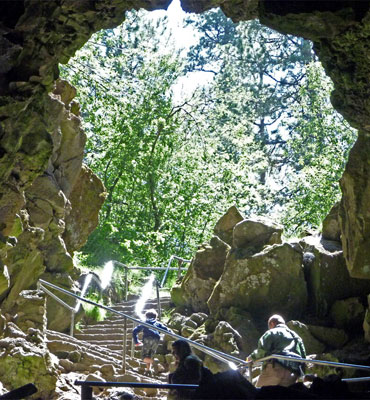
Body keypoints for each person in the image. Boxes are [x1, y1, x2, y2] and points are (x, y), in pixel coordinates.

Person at [246, 314, 306, 388]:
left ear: (272, 323)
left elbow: (262, 351)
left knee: (258, 394)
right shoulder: (297, 337)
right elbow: (303, 358)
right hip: (292, 375)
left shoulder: (272, 332)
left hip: (275, 369)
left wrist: (251, 358)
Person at [132, 309, 172, 375]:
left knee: (143, 357)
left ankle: (154, 362)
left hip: (148, 338)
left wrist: (136, 341)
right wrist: (173, 334)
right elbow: (167, 330)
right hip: (156, 339)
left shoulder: (145, 322)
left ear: (146, 316)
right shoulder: (158, 323)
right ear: (155, 317)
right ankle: (148, 370)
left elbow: (135, 331)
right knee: (149, 355)